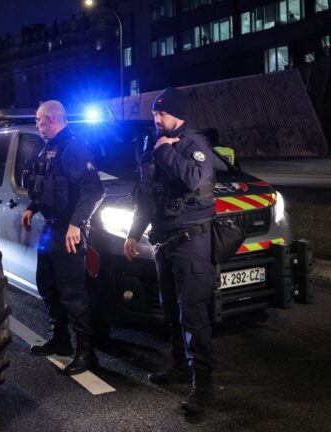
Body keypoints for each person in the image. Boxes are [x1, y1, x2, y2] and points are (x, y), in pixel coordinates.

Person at [123, 87, 216, 415]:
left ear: (178, 114)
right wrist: (134, 234)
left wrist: (164, 151)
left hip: (192, 242)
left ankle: (202, 385)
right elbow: (148, 197)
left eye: (162, 114)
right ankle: (178, 366)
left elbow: (193, 179)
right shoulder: (156, 145)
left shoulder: (195, 145)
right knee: (171, 311)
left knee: (193, 314)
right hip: (164, 243)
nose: (157, 119)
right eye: (154, 114)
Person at [22, 100, 105, 375]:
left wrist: (76, 225)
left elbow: (93, 191)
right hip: (51, 228)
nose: (37, 125)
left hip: (69, 232)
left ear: (51, 119)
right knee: (47, 285)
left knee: (73, 293)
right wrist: (32, 208)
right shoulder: (50, 149)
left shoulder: (75, 148)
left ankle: (86, 353)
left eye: (38, 120)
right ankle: (60, 341)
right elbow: (43, 185)